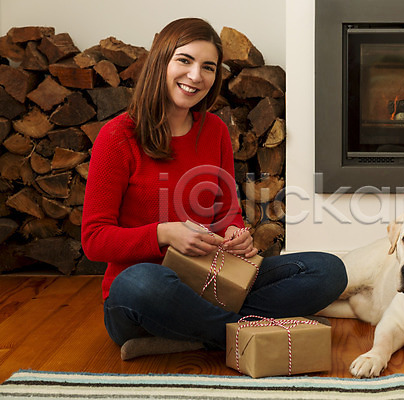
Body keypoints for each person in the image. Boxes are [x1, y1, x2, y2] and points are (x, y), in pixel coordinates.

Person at [81, 17, 347, 359]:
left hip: (214, 282)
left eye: (208, 67)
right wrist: (165, 233)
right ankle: (243, 337)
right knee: (140, 283)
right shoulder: (118, 136)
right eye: (185, 61)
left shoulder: (215, 131)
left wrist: (238, 232)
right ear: (161, 61)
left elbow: (226, 211)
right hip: (146, 295)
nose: (196, 76)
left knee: (327, 270)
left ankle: (202, 334)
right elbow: (94, 240)